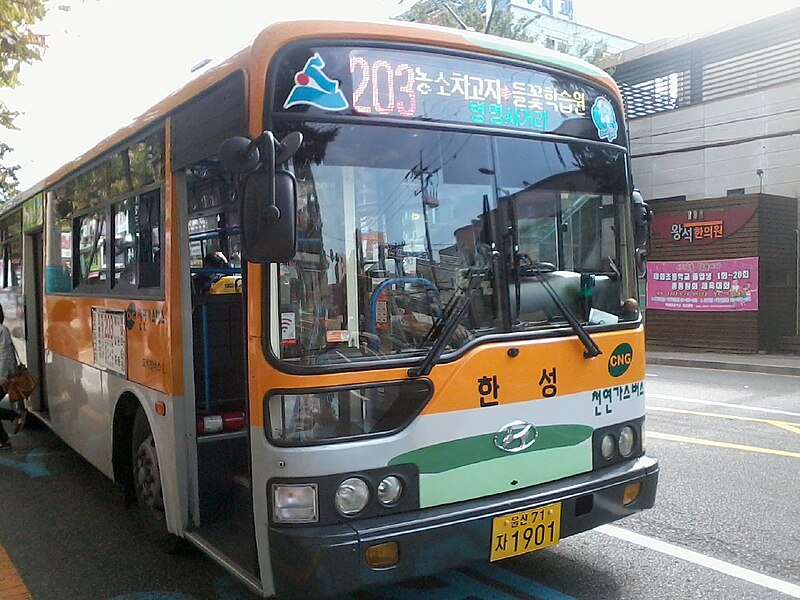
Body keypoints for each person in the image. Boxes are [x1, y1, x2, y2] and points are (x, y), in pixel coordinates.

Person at [0, 304, 26, 451]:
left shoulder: (2, 331)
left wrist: (2, 377)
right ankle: (4, 440)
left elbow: (5, 355)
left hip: (2, 378)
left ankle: (14, 416)